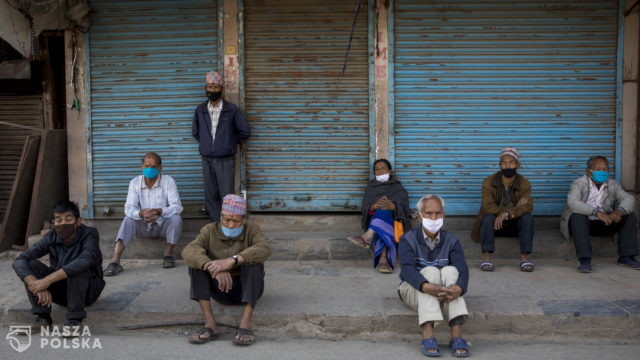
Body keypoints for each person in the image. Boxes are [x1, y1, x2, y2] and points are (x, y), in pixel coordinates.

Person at [182, 194, 271, 346]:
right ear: (221, 217)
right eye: (226, 219)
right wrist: (213, 268)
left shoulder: (252, 231)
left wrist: (231, 261)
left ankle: (245, 323)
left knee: (254, 264)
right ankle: (210, 324)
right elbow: (189, 250)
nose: (230, 225)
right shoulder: (209, 230)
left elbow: (265, 248)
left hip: (246, 289)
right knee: (196, 265)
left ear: (243, 220)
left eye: (235, 221)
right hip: (220, 290)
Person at [12, 200, 105, 335]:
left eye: (68, 219)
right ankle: (43, 318)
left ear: (78, 221)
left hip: (87, 290)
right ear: (54, 222)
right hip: (62, 290)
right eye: (58, 220)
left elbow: (86, 259)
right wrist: (36, 285)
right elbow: (20, 260)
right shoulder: (51, 236)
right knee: (31, 265)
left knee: (78, 267)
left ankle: (75, 320)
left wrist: (47, 281)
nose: (62, 224)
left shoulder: (90, 234)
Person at [398, 195, 470, 357]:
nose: (433, 218)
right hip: (412, 290)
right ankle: (428, 331)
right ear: (419, 215)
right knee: (430, 271)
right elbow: (407, 270)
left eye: (438, 213)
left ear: (443, 214)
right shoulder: (407, 239)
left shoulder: (452, 240)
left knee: (451, 271)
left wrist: (459, 287)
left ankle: (456, 333)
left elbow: (463, 270)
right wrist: (426, 286)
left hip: (443, 292)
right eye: (429, 213)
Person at [104, 152, 183, 275]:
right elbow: (129, 208)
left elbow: (177, 206)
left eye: (154, 167)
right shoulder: (135, 182)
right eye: (146, 166)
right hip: (142, 226)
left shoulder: (168, 181)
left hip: (161, 225)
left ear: (160, 168)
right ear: (142, 167)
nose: (149, 169)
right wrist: (141, 213)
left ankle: (168, 255)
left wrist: (159, 210)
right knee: (128, 219)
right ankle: (115, 260)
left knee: (176, 219)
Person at [561, 155, 639, 272]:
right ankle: (584, 259)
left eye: (605, 169)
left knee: (629, 216)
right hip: (583, 225)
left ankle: (626, 257)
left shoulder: (612, 184)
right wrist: (596, 212)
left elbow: (629, 199)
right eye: (598, 169)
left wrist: (619, 211)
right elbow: (573, 203)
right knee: (577, 216)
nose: (602, 172)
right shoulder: (578, 183)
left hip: (605, 222)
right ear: (589, 171)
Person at [192, 71, 251, 222]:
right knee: (210, 194)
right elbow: (196, 132)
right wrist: (207, 144)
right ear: (206, 88)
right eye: (210, 87)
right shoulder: (200, 110)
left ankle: (227, 224)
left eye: (216, 87)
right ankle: (215, 225)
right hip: (207, 159)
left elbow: (244, 131)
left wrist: (228, 142)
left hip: (226, 160)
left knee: (227, 195)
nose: (212, 90)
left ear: (222, 89)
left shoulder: (231, 109)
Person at [471, 147, 535, 272]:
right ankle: (487, 259)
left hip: (514, 225)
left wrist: (506, 213)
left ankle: (525, 259)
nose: (508, 166)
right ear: (500, 165)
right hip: (494, 225)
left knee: (527, 217)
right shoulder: (489, 182)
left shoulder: (524, 183)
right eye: (504, 163)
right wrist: (514, 209)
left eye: (511, 163)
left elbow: (528, 206)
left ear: (518, 165)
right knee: (488, 216)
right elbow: (488, 206)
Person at [347, 159, 410, 273]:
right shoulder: (371, 187)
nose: (380, 171)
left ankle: (368, 236)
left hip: (395, 224)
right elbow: (366, 208)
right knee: (381, 212)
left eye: (383, 168)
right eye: (377, 169)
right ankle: (383, 260)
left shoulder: (398, 188)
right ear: (374, 173)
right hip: (375, 221)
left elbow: (405, 210)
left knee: (384, 213)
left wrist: (394, 207)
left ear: (390, 172)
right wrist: (374, 207)